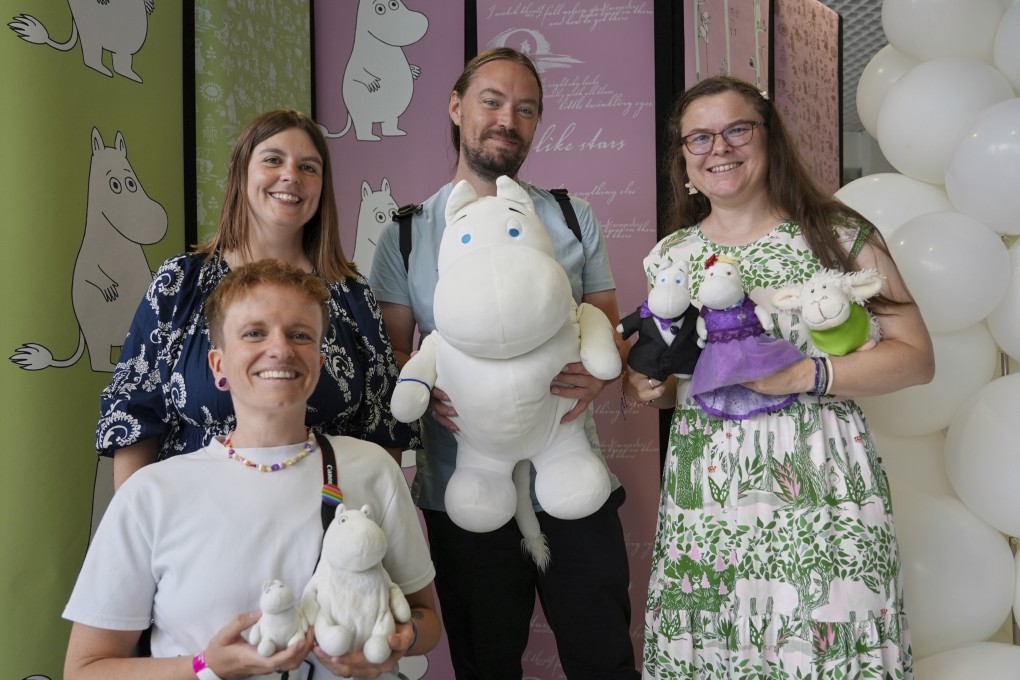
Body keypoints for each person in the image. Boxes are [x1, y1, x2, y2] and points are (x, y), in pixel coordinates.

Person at [623, 75, 934, 678]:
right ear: (683, 158)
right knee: (720, 653)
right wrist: (649, 389)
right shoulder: (672, 256)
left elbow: (916, 357)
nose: (721, 148)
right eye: (700, 138)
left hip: (823, 484)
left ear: (770, 140)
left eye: (738, 129)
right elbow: (670, 373)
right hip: (709, 493)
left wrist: (804, 374)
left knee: (828, 650)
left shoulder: (837, 235)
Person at [368, 48, 640, 680]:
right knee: (486, 661)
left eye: (526, 109)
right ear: (457, 106)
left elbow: (607, 324)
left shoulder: (571, 217)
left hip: (571, 474)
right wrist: (428, 382)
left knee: (603, 654)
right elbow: (395, 352)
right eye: (491, 101)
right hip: (463, 484)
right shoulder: (409, 233)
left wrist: (603, 370)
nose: (506, 120)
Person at [64, 259, 440, 680]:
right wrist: (205, 667)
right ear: (218, 366)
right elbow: (85, 669)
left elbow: (426, 621)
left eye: (300, 335)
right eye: (254, 333)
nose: (280, 348)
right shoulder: (151, 493)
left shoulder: (372, 469)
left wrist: (397, 641)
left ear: (318, 363)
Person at [97, 108, 416, 489]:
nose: (291, 176)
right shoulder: (180, 284)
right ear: (241, 172)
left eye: (309, 167)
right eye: (273, 160)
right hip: (196, 527)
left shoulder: (352, 295)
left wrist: (376, 523)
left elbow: (384, 427)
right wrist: (134, 533)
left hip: (326, 527)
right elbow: (134, 416)